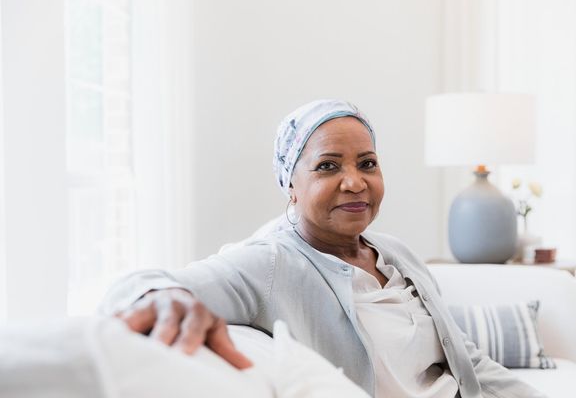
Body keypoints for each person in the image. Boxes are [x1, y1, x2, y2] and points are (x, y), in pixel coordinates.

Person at [102, 99, 546, 398]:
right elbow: (135, 286)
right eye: (328, 166)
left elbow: (467, 359)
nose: (355, 182)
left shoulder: (397, 254)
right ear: (291, 185)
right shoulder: (272, 261)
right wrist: (165, 298)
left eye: (367, 163)